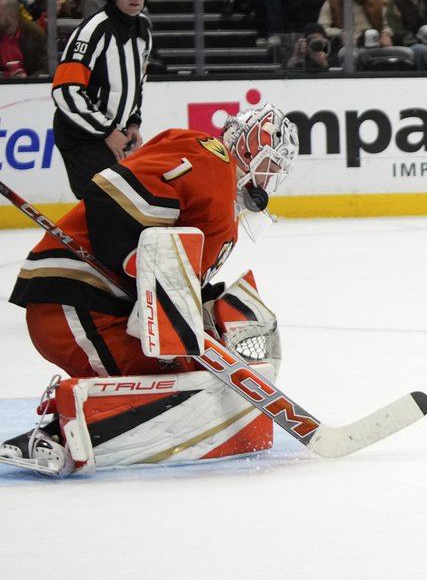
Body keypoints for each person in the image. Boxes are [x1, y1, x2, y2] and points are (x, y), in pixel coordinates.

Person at [0, 104, 298, 476]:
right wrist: (141, 276)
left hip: (102, 310)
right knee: (175, 383)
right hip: (74, 301)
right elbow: (109, 194)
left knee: (187, 373)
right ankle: (54, 434)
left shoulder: (224, 201)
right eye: (272, 164)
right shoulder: (208, 156)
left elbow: (175, 268)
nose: (271, 178)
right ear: (253, 150)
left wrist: (199, 309)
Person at [51, 0, 153, 200]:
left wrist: (133, 122)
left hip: (113, 133)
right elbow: (65, 90)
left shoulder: (143, 28)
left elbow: (136, 82)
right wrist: (107, 132)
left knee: (125, 203)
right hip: (82, 136)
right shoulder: (92, 32)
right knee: (107, 203)